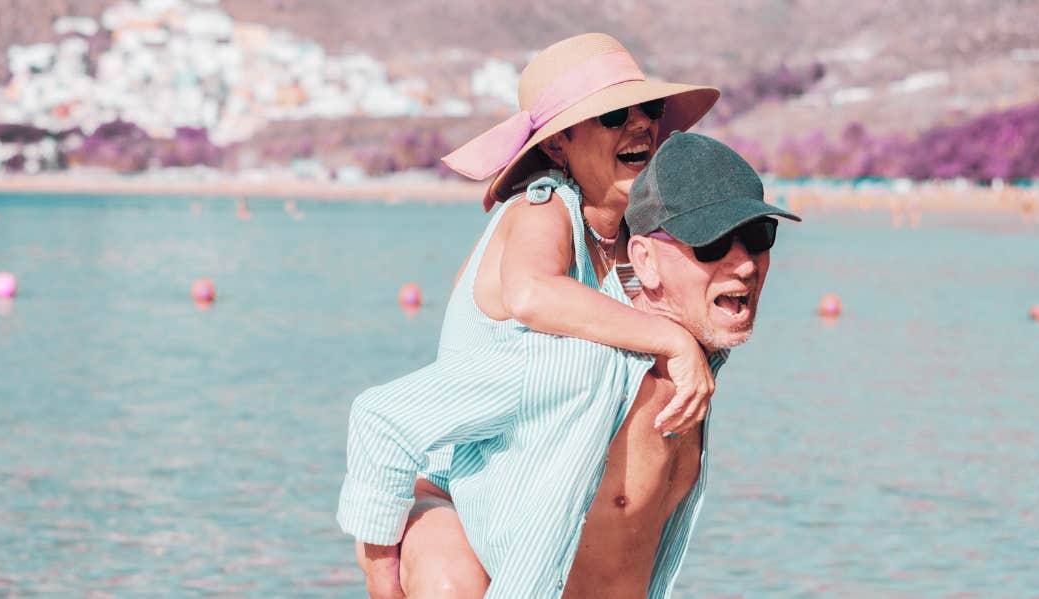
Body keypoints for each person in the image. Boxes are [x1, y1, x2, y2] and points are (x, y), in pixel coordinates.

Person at [337, 33, 724, 597]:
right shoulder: (544, 208)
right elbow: (531, 292)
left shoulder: (627, 243)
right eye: (615, 114)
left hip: (531, 515)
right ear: (559, 146)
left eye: (651, 109)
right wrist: (674, 342)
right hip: (459, 498)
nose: (640, 124)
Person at [387, 133, 799, 598]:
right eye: (713, 244)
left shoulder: (698, 367)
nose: (744, 264)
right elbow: (386, 426)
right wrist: (383, 575)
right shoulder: (577, 363)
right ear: (644, 260)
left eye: (759, 235)